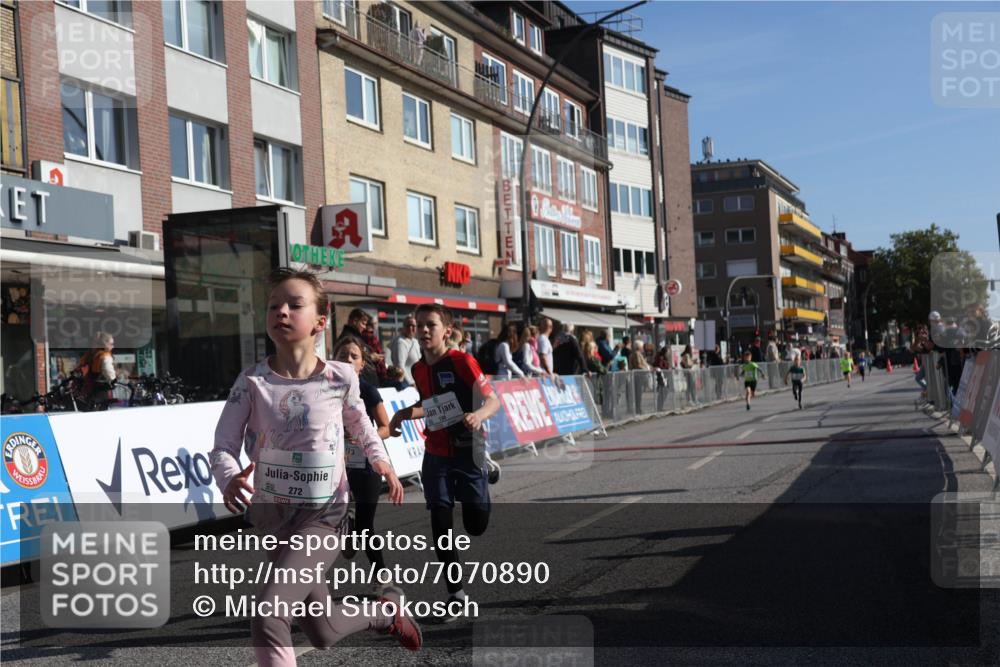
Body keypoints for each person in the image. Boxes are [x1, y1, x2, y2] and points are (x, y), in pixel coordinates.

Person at [212, 268, 420, 665]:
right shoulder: (251, 382)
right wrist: (228, 477)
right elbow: (222, 446)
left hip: (324, 516)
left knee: (269, 615)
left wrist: (381, 462)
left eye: (294, 304)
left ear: (320, 322)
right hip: (272, 517)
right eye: (274, 305)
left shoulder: (339, 376)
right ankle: (387, 611)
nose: (282, 312)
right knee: (322, 630)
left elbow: (360, 424)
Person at [388, 304, 501, 619]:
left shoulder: (462, 361)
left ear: (446, 330)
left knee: (476, 526)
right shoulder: (418, 369)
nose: (423, 330)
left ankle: (486, 474)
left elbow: (493, 399)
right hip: (436, 452)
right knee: (440, 522)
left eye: (430, 325)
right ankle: (456, 594)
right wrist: (401, 414)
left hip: (469, 451)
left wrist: (477, 415)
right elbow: (429, 405)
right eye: (419, 325)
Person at [333, 336, 393, 586]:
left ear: (362, 364)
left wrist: (363, 438)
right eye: (342, 355)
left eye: (353, 356)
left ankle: (382, 578)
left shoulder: (368, 390)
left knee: (367, 526)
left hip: (367, 465)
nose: (347, 359)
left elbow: (386, 428)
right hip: (336, 466)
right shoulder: (325, 391)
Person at [339, 308, 381, 385]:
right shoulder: (349, 339)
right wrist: (371, 357)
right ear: (354, 321)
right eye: (363, 323)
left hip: (364, 383)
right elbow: (351, 359)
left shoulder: (356, 337)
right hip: (360, 384)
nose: (365, 327)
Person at [75, 331, 117, 405]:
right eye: (111, 344)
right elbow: (108, 371)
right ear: (105, 344)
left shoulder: (89, 355)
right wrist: (114, 381)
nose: (113, 346)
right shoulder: (105, 356)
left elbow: (79, 367)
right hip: (102, 389)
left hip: (89, 387)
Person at [389, 316, 421, 385]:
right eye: (408, 325)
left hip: (417, 383)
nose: (410, 328)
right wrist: (411, 384)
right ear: (403, 327)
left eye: (413, 326)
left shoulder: (415, 341)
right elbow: (400, 366)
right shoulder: (401, 342)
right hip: (407, 385)